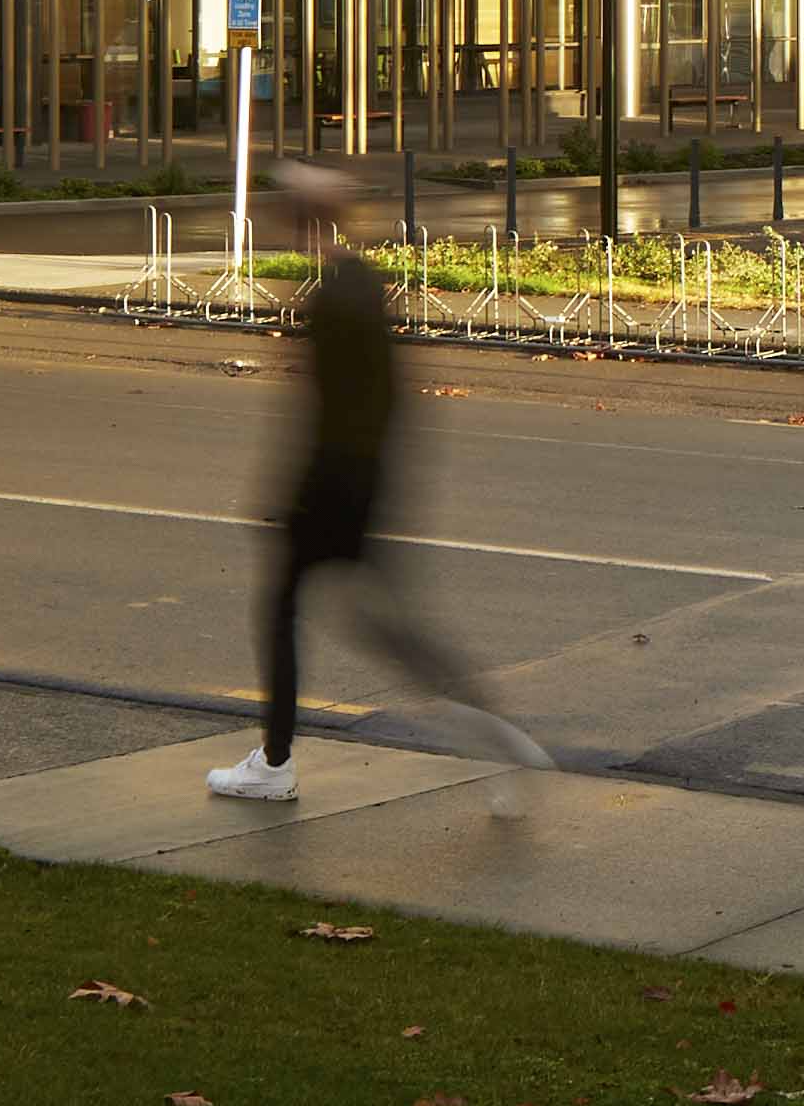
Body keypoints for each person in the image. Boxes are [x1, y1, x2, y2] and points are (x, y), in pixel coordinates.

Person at [206, 159, 553, 813]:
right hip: (364, 484)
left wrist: (292, 499)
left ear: (296, 223)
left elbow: (325, 413)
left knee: (284, 615)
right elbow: (388, 400)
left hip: (331, 489)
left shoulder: (331, 300)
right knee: (382, 629)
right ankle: (493, 728)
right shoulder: (362, 280)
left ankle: (275, 764)